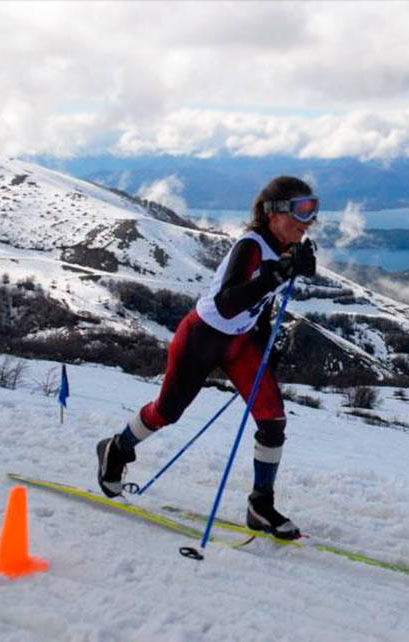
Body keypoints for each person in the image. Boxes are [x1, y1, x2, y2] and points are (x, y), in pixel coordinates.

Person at [96, 176, 318, 539]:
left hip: (241, 342)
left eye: (312, 210)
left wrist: (265, 342)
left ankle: (260, 506)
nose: (308, 220)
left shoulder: (284, 249)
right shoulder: (251, 246)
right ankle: (116, 449)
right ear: (274, 213)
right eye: (301, 210)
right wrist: (274, 276)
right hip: (202, 338)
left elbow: (262, 303)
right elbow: (226, 303)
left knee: (272, 419)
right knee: (167, 411)